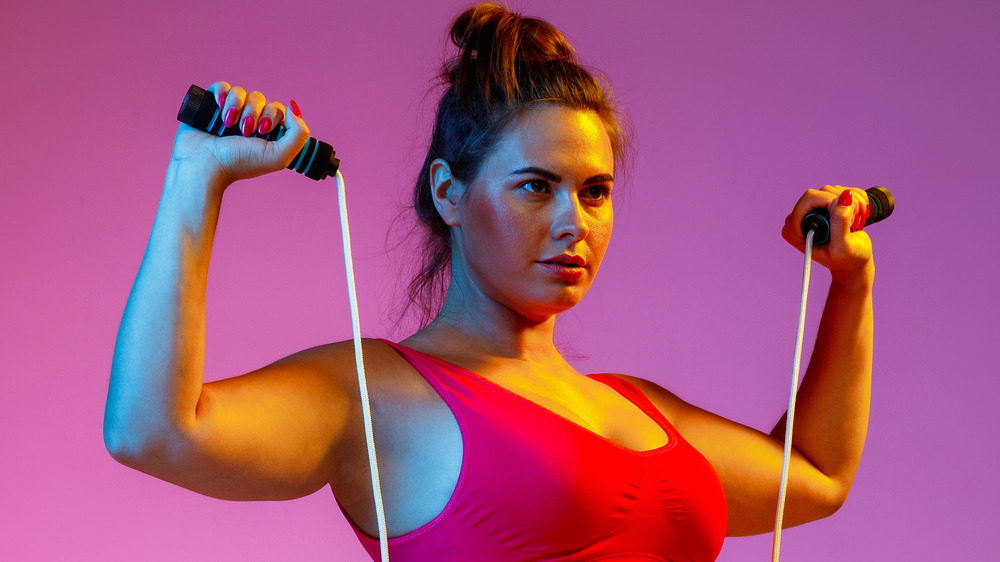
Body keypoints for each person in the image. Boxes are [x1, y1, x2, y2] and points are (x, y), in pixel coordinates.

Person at [104, 3, 874, 561]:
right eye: (536, 187)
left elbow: (814, 476)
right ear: (450, 194)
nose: (574, 222)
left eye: (595, 191)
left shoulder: (643, 409)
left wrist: (850, 283)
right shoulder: (379, 395)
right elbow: (152, 432)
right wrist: (195, 180)